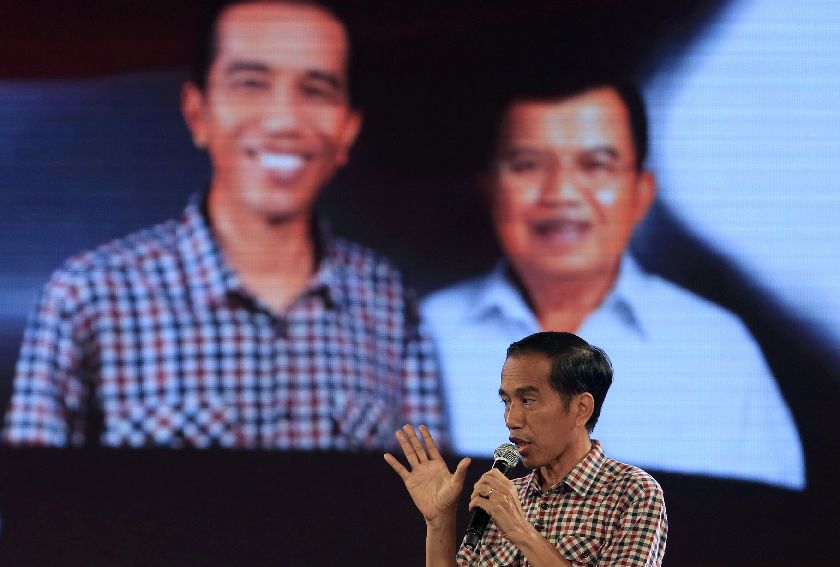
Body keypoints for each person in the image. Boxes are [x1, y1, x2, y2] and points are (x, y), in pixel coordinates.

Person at [2, 0, 446, 450]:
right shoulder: (89, 296)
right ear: (198, 113)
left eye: (316, 90)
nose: (284, 120)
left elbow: (437, 510)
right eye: (250, 84)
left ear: (348, 130)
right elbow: (30, 508)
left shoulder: (391, 306)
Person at [421, 75, 804, 489]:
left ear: (641, 192)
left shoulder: (717, 350)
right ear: (491, 190)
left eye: (595, 165)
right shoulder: (423, 331)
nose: (562, 193)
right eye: (528, 165)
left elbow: (771, 530)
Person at [386, 332, 668, 566]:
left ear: (582, 408)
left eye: (528, 401)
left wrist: (519, 529)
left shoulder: (631, 492)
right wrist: (440, 521)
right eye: (506, 402)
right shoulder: (504, 497)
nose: (512, 419)